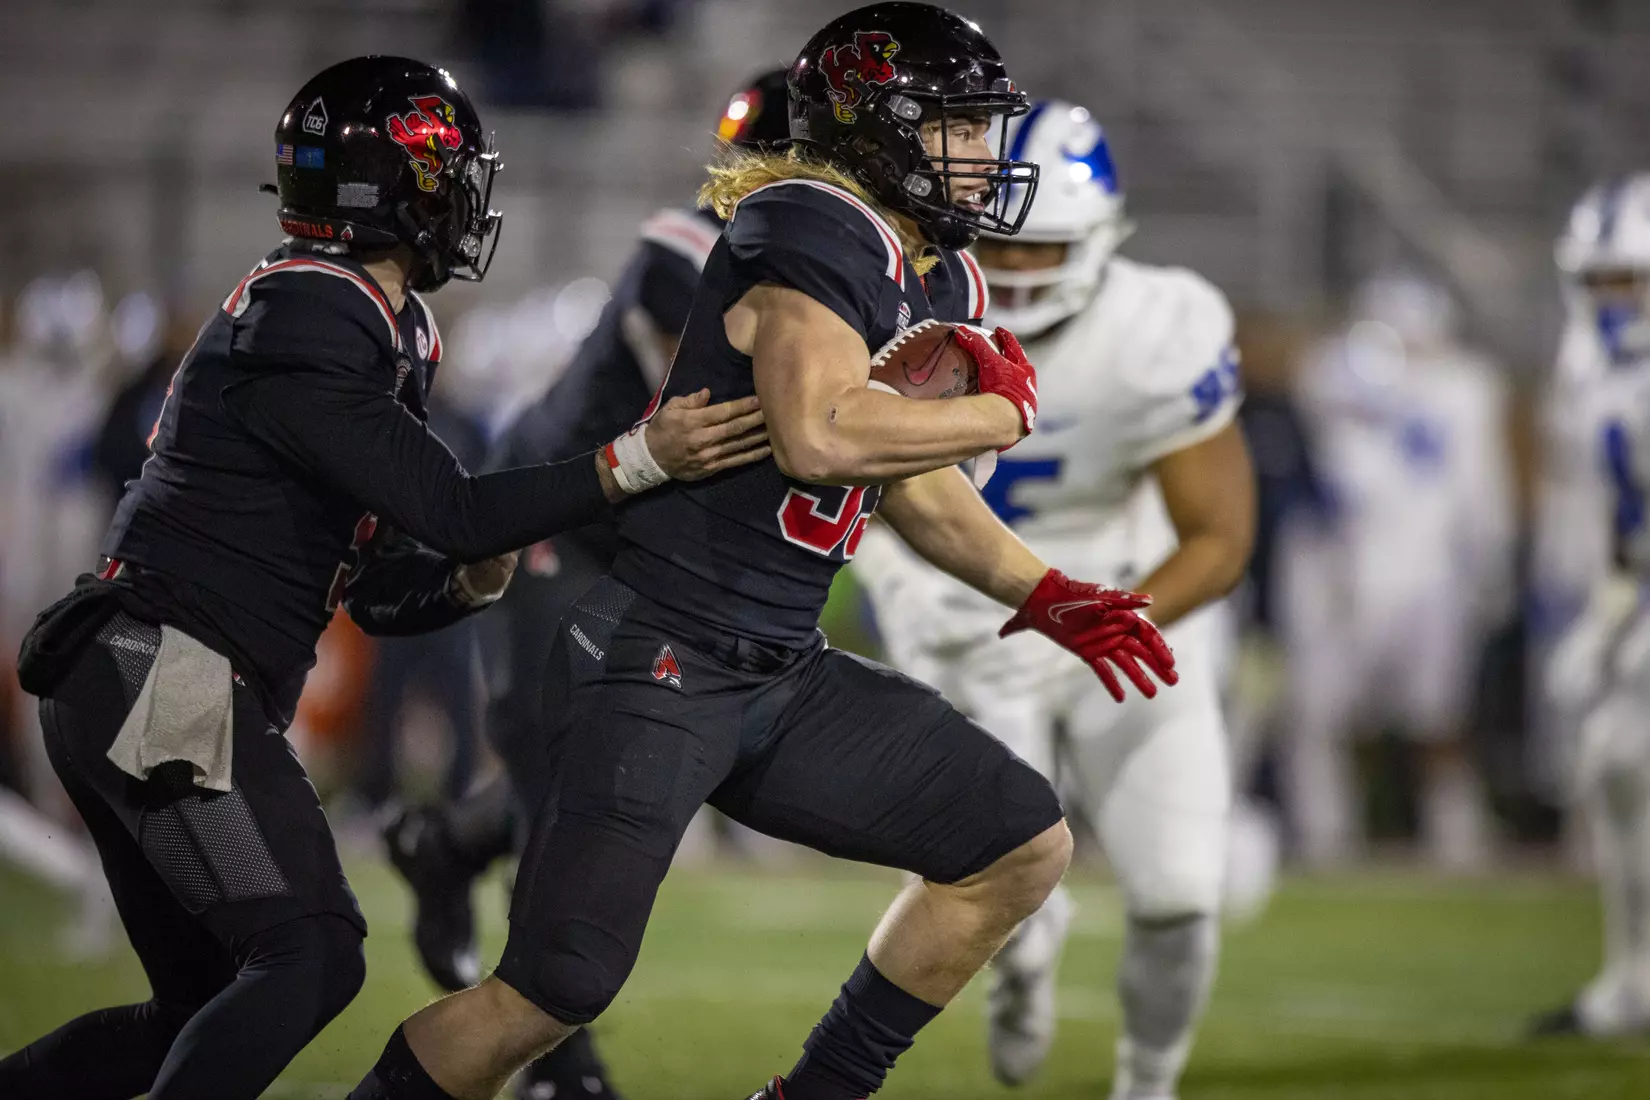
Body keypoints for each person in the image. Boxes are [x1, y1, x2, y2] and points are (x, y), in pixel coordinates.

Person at [346, 7, 1179, 1100]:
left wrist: (1045, 590)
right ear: (880, 128)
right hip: (663, 652)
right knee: (550, 992)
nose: (984, 154)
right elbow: (818, 434)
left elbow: (907, 483)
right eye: (959, 127)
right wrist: (999, 414)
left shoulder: (935, 275)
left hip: (781, 667)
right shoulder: (808, 224)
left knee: (1017, 844)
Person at [0, 55, 767, 1100]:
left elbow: (374, 581)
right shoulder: (316, 307)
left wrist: (461, 586)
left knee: (202, 1002)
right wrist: (637, 459)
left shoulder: (368, 316)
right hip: (162, 667)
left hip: (151, 667)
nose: (465, 196)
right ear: (394, 184)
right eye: (450, 171)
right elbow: (454, 508)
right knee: (311, 951)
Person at [381, 67, 794, 1100]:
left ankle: (448, 841)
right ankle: (559, 1062)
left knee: (630, 766)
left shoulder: (820, 267)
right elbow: (759, 411)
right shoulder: (691, 248)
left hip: (646, 541)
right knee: (567, 777)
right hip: (562, 520)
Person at [853, 99, 1253, 1099]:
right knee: (995, 883)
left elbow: (1219, 536)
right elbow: (850, 477)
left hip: (1126, 597)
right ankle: (1024, 959)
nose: (1020, 271)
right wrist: (901, 588)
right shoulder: (895, 303)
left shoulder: (1159, 325)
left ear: (1103, 236)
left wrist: (1110, 621)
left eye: (1046, 249)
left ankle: (1147, 1084)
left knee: (1179, 892)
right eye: (1003, 246)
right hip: (965, 601)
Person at [1278, 272, 1515, 870]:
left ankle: (1452, 832)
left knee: (1438, 714)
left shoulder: (1465, 387)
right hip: (1346, 563)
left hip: (1429, 569)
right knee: (1327, 711)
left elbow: (1482, 490)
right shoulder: (1337, 371)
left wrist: (1490, 564)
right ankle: (1329, 833)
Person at [1531, 175, 1650, 1038]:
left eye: (1631, 279)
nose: (1614, 299)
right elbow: (1617, 515)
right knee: (1615, 763)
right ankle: (1633, 981)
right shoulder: (1590, 369)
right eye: (1599, 280)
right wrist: (1610, 614)